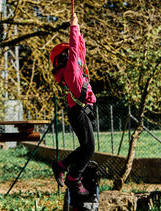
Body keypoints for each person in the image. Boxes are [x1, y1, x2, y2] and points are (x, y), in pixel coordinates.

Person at [49, 13, 96, 196]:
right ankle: (73, 177)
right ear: (63, 57)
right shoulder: (70, 69)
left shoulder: (73, 67)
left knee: (86, 147)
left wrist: (79, 32)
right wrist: (74, 27)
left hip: (80, 111)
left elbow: (80, 51)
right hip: (78, 112)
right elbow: (76, 49)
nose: (72, 53)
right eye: (68, 53)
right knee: (89, 147)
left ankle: (62, 167)